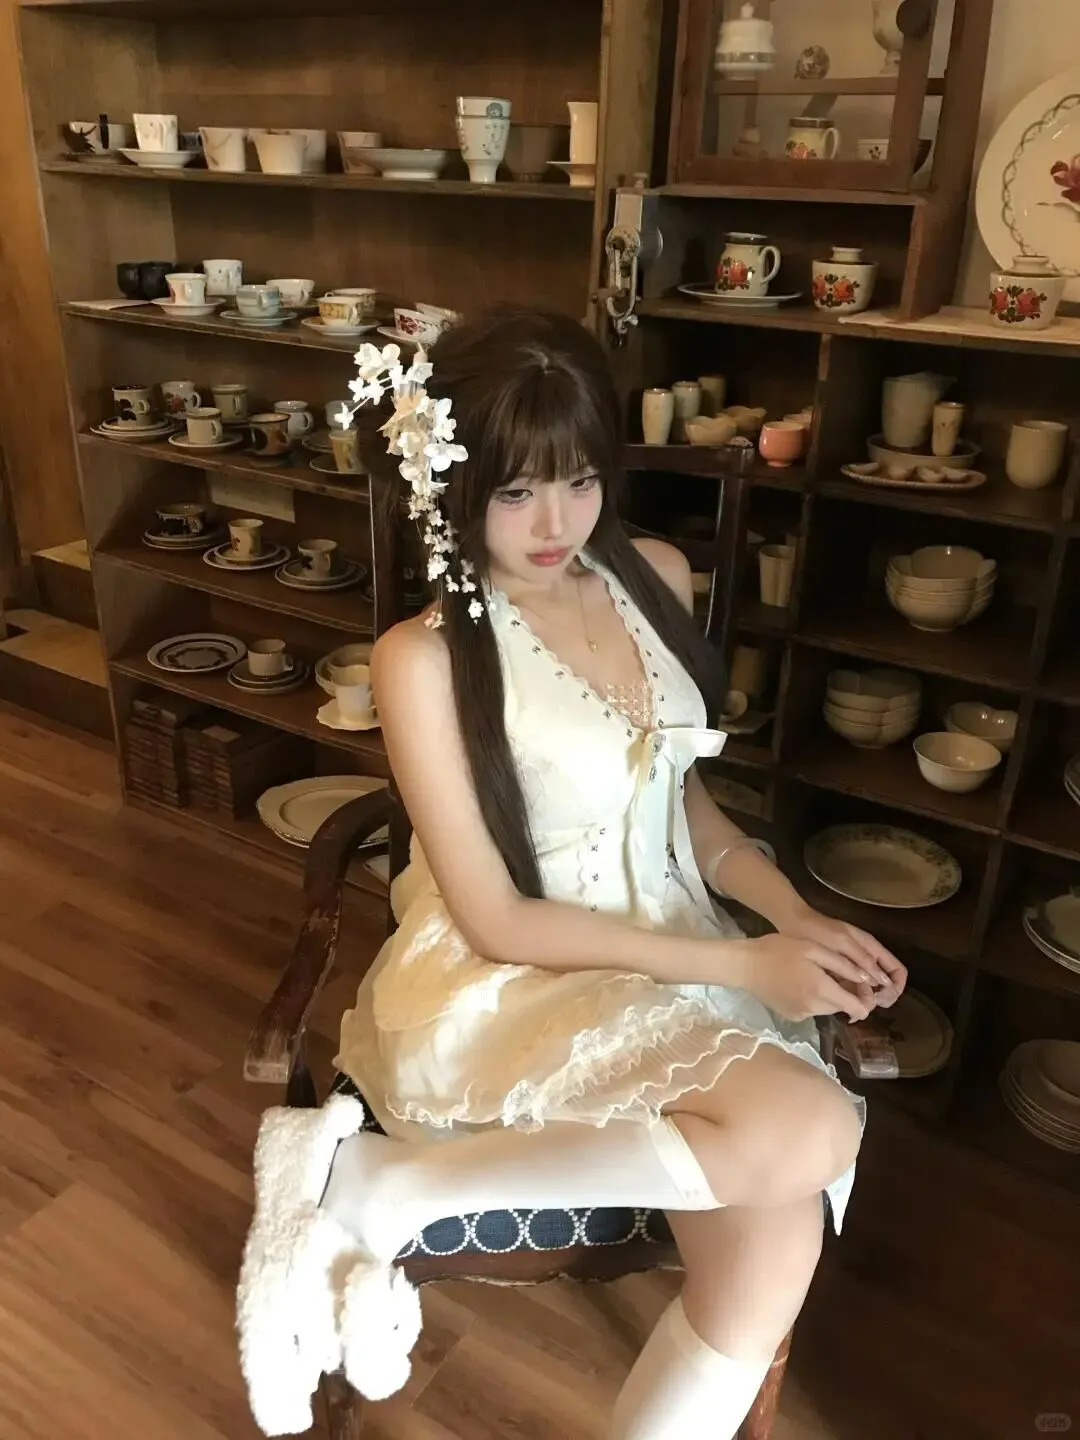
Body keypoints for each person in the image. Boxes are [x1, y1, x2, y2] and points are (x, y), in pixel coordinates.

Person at [236, 309, 907, 1439]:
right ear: (451, 483)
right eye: (515, 492)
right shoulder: (423, 657)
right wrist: (747, 964)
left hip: (677, 940)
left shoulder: (655, 576)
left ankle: (389, 1189)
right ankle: (394, 1186)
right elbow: (498, 919)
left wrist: (794, 916)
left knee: (777, 1237)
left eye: (582, 480)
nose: (557, 524)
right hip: (523, 972)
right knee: (815, 1137)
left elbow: (681, 802)